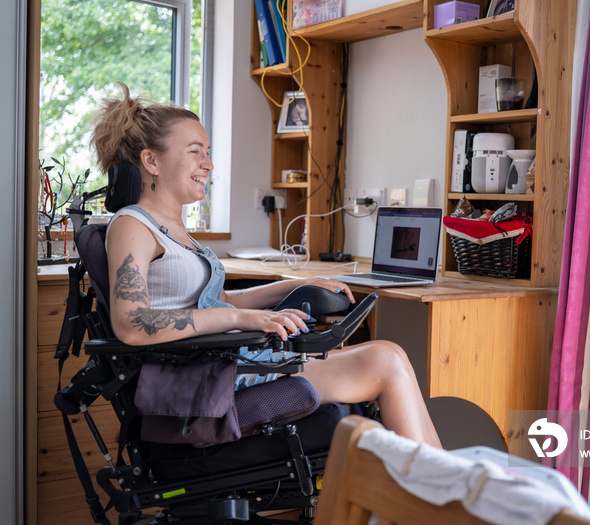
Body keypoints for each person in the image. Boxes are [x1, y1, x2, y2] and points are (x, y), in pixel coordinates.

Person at [91, 83, 441, 448]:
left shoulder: (174, 228)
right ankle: (442, 493)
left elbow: (217, 299)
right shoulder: (133, 225)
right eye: (195, 152)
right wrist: (242, 319)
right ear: (151, 161)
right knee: (384, 361)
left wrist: (291, 287)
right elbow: (131, 325)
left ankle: (441, 488)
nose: (208, 164)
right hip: (202, 386)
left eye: (207, 152)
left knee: (390, 353)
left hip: (227, 364)